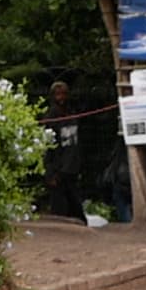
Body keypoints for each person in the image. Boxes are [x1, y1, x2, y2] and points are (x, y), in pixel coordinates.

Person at [42, 80, 85, 222]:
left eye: (63, 94)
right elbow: (48, 146)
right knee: (59, 209)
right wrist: (50, 172)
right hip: (57, 169)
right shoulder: (50, 116)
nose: (61, 98)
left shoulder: (72, 112)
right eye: (58, 95)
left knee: (75, 207)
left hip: (72, 167)